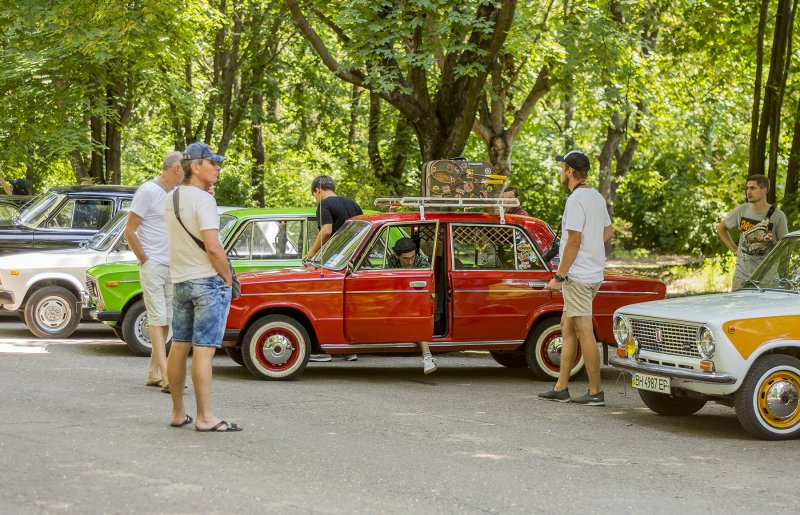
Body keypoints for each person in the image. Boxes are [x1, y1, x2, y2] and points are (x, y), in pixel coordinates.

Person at [164, 142, 241, 432]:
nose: (218, 166)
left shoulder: (171, 198)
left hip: (181, 280)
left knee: (180, 346)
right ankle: (205, 417)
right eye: (213, 162)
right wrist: (226, 277)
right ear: (196, 167)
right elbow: (213, 247)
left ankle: (177, 413)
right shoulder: (204, 201)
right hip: (207, 281)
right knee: (204, 350)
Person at [538, 150, 612, 407]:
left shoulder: (576, 200)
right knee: (567, 326)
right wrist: (592, 250)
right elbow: (608, 230)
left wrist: (560, 275)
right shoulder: (597, 197)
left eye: (562, 168)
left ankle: (596, 391)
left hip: (578, 276)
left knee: (583, 329)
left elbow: (574, 241)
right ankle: (561, 387)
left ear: (569, 171)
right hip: (592, 273)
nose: (560, 172)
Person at [124, 151, 184, 392]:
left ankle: (153, 372)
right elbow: (130, 230)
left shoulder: (174, 194)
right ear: (176, 168)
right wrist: (144, 259)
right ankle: (168, 374)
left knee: (167, 318)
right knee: (158, 317)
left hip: (172, 264)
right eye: (186, 167)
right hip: (153, 265)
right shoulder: (148, 190)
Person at [304, 174, 362, 363]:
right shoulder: (352, 204)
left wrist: (310, 254)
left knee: (325, 305)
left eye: (315, 195)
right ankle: (348, 350)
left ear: (317, 190)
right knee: (347, 307)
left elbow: (326, 231)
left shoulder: (324, 205)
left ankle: (323, 350)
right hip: (355, 263)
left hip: (334, 264)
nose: (316, 198)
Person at [716, 174, 788, 290]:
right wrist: (735, 250)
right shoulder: (741, 210)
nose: (748, 192)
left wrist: (770, 242)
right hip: (742, 276)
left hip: (768, 279)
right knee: (739, 307)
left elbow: (784, 247)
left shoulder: (778, 216)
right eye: (747, 188)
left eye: (753, 188)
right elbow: (721, 228)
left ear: (764, 190)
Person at [386, 237, 438, 374]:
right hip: (399, 301)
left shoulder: (421, 262)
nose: (410, 262)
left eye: (412, 257)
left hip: (419, 302)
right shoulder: (391, 261)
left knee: (416, 316)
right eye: (405, 258)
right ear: (396, 256)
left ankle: (427, 357)